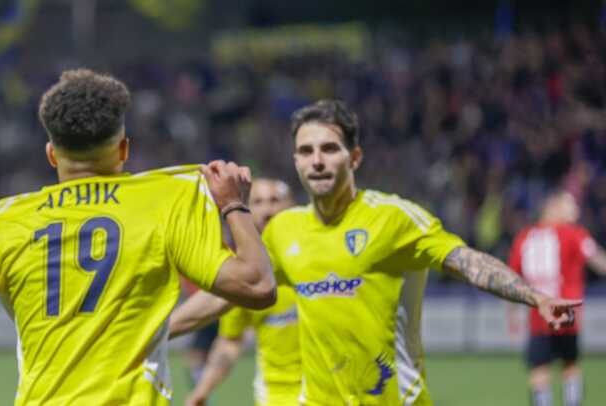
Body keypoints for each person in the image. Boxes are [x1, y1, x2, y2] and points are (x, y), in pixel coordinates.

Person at [171, 99, 581, 406]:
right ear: (295, 161)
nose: (317, 161)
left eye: (329, 149)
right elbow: (231, 293)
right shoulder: (283, 230)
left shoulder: (394, 218)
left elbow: (467, 261)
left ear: (355, 157)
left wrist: (534, 297)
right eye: (306, 152)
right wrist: (156, 332)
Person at [0, 69, 276, 405]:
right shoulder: (168, 200)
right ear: (124, 149)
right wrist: (233, 206)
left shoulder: (3, 222)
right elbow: (257, 286)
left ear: (51, 154)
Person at [172, 178, 300, 406]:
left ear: (291, 205)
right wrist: (201, 392)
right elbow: (230, 341)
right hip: (275, 398)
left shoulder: (316, 251)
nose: (267, 211)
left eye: (274, 200)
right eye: (258, 202)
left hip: (331, 392)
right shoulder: (249, 269)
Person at [508, 190, 606, 406]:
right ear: (552, 207)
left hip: (538, 317)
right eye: (570, 205)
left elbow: (512, 279)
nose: (576, 210)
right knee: (570, 365)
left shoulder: (524, 237)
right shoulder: (573, 233)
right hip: (567, 313)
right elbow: (597, 259)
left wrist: (512, 312)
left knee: (539, 370)